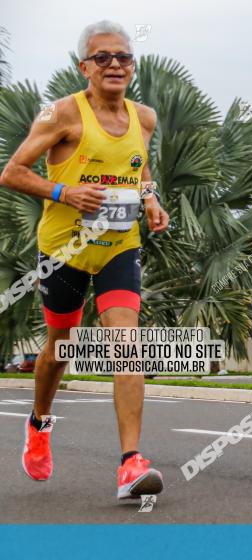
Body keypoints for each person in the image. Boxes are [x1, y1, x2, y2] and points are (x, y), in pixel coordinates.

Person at [0, 21, 169, 499]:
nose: (115, 64)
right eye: (103, 58)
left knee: (126, 342)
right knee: (58, 349)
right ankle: (38, 423)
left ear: (133, 66)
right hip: (63, 251)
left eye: (123, 57)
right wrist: (64, 191)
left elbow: (141, 168)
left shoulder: (145, 117)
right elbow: (11, 172)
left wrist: (152, 199)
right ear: (85, 68)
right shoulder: (61, 116)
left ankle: (130, 464)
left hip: (119, 247)